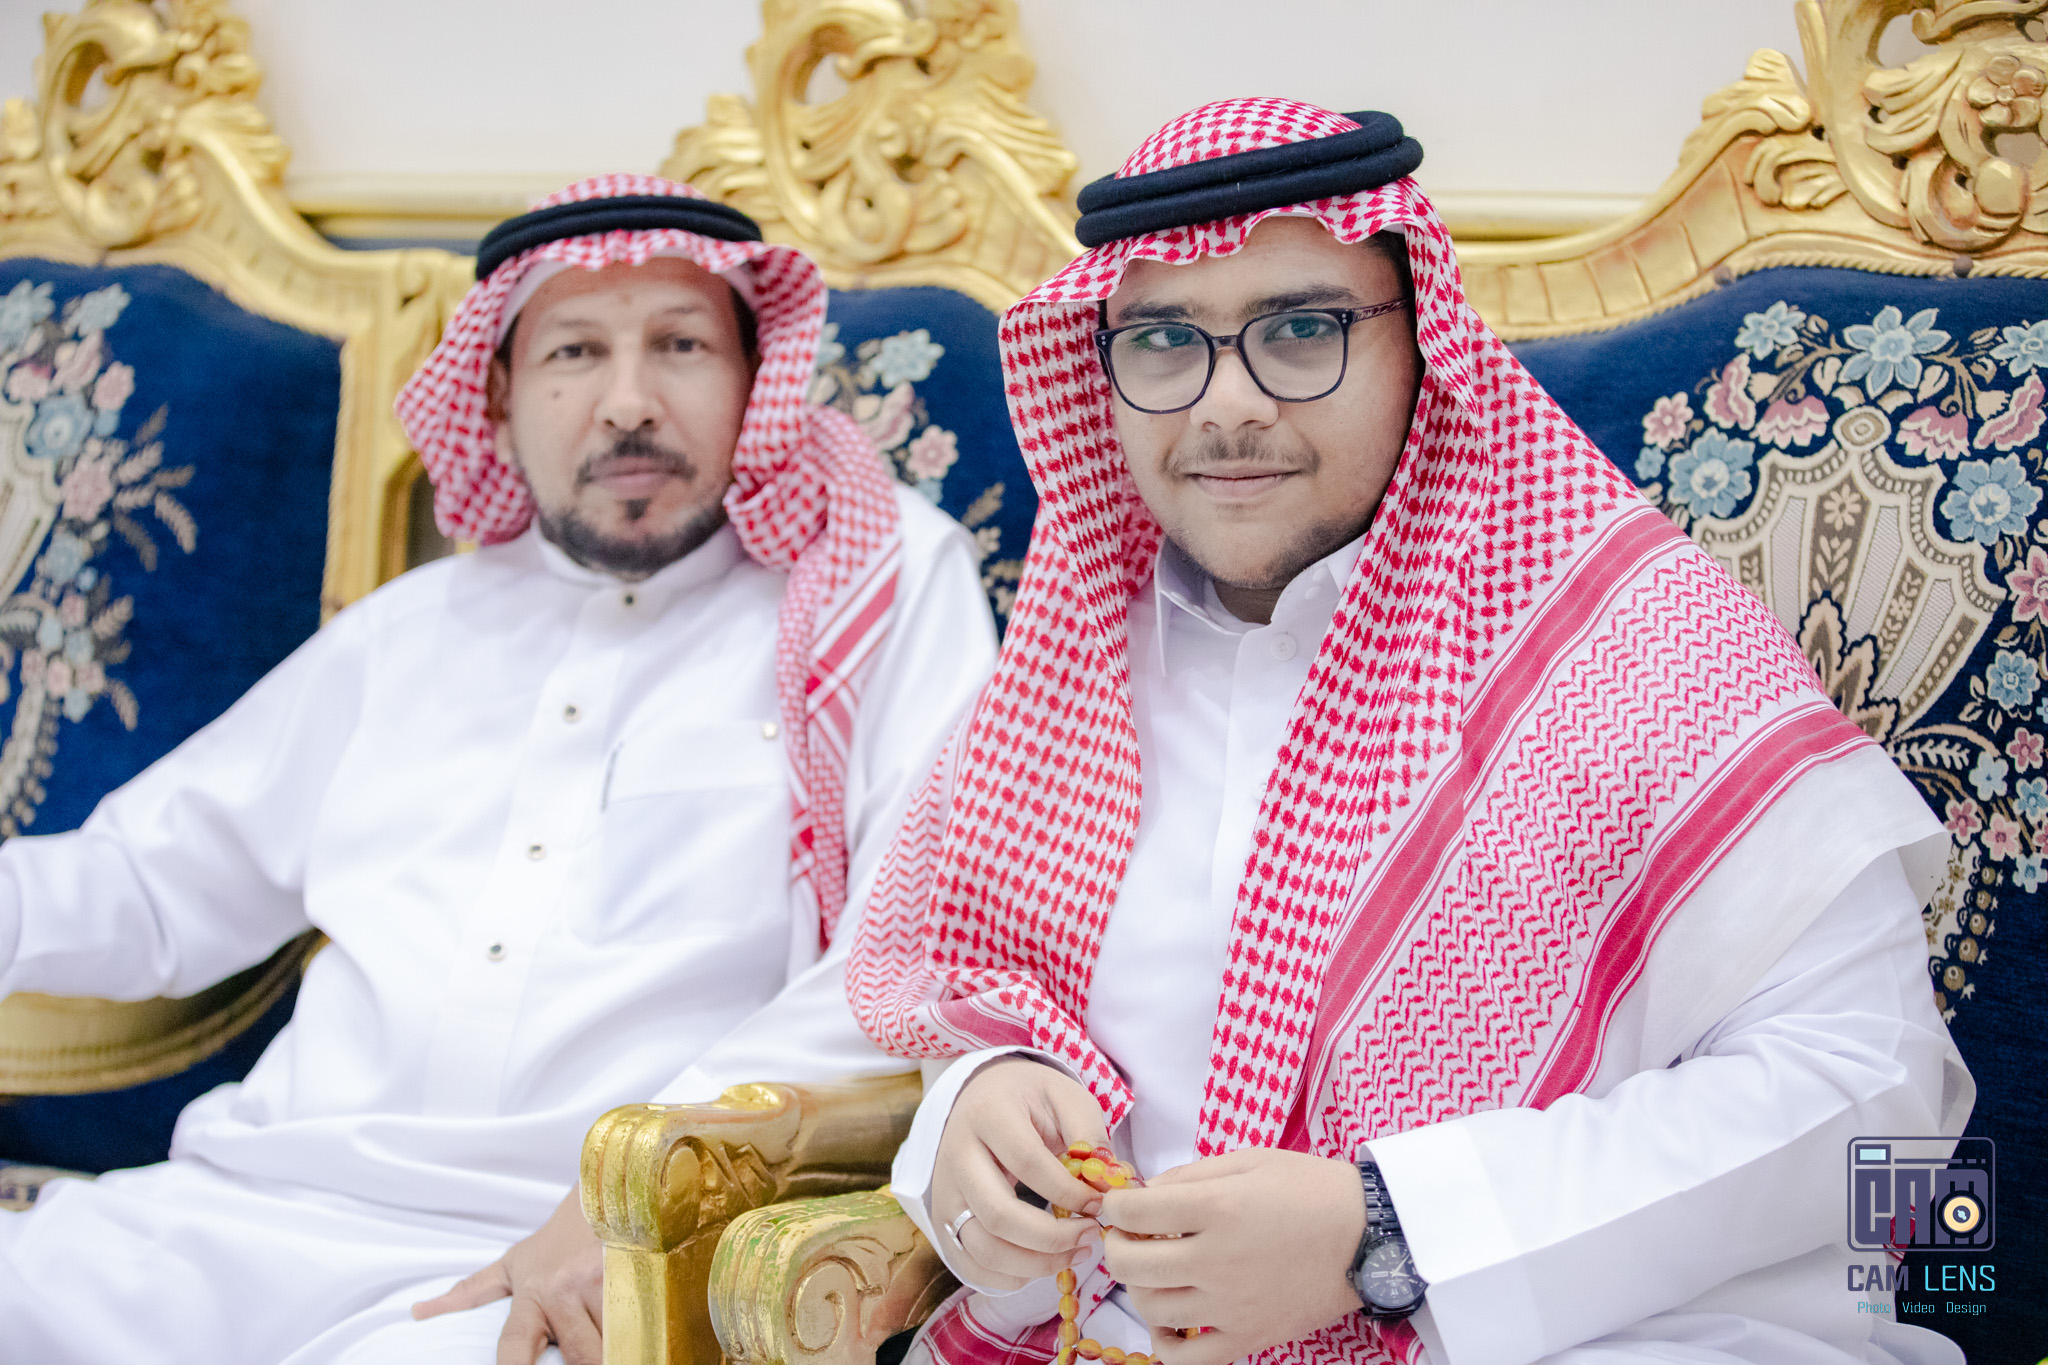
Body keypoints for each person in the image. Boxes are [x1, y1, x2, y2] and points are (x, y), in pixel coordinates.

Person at [848, 102, 1971, 1365]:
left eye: (1299, 329)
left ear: (1419, 342)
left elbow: (1874, 1095)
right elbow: (976, 1015)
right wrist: (971, 1113)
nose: (1227, 406)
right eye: (1162, 341)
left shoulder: (1633, 649)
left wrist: (1386, 1232)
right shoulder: (1061, 672)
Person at [0, 174, 997, 1365]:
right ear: (498, 394)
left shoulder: (873, 593)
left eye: (681, 345)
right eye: (574, 352)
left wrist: (637, 1193)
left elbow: (913, 942)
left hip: (550, 1253)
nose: (628, 403)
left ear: (755, 379)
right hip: (239, 1205)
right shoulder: (410, 629)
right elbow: (150, 883)